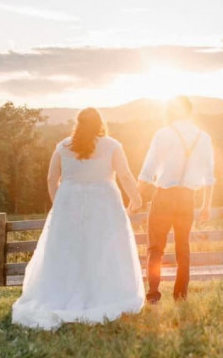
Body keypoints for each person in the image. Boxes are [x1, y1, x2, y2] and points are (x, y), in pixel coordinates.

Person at [12, 108, 145, 330]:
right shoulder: (112, 145)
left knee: (69, 250)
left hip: (69, 204)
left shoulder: (63, 147)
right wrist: (136, 198)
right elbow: (125, 175)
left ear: (78, 124)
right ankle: (106, 294)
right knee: (105, 249)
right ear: (100, 124)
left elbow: (51, 177)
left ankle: (61, 294)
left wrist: (59, 203)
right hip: (104, 204)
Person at [138, 96, 215, 303]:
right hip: (187, 198)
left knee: (155, 247)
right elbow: (209, 176)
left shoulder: (163, 134)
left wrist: (134, 199)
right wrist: (206, 205)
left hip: (164, 196)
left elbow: (148, 170)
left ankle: (153, 294)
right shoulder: (203, 137)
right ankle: (180, 294)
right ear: (190, 112)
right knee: (183, 247)